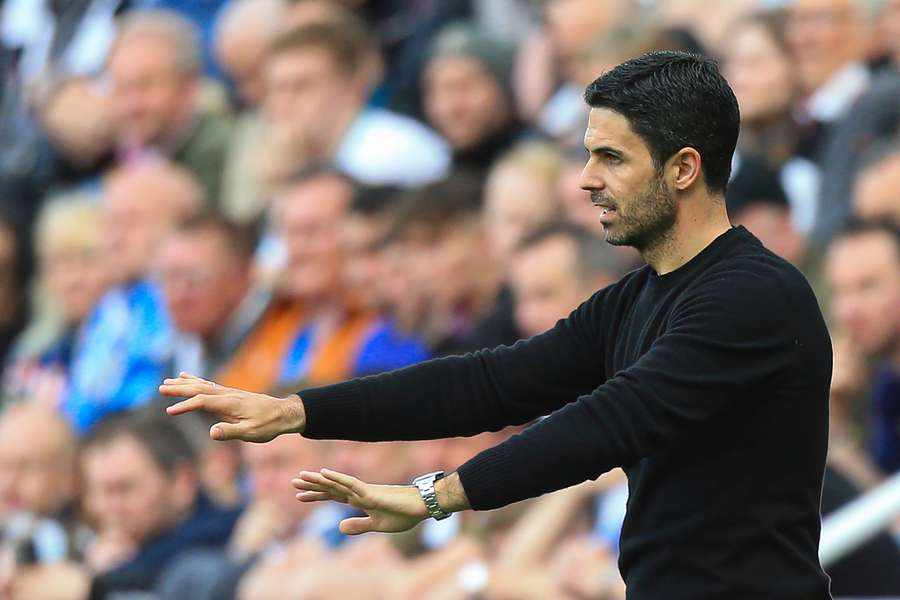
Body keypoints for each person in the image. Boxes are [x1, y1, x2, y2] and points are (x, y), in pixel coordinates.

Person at [162, 52, 834, 598]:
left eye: (612, 158)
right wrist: (298, 410)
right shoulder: (635, 299)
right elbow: (493, 382)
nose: (586, 180)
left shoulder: (752, 297)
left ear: (684, 168)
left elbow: (611, 421)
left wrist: (437, 496)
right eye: (588, 154)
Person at [64, 161, 202, 434]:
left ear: (182, 224)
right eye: (109, 224)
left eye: (131, 222)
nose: (114, 239)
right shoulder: (108, 308)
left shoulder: (186, 301)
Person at [107, 9, 233, 204]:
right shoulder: (117, 149)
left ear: (188, 86)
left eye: (144, 86)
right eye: (121, 89)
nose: (131, 105)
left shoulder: (224, 153)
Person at [824, 219, 900, 476]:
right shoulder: (886, 381)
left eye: (867, 286)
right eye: (840, 291)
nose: (847, 312)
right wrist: (834, 417)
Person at [155, 214, 270, 380]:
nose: (178, 295)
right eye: (169, 278)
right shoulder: (183, 347)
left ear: (240, 277)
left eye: (193, 279)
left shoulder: (274, 340)